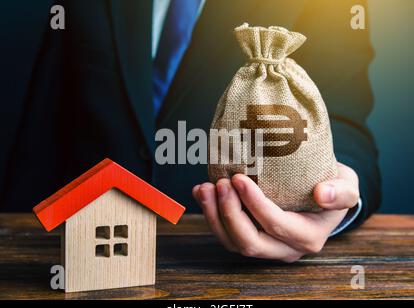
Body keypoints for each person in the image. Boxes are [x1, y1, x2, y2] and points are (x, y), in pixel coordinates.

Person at [0, 0, 381, 261]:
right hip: (85, 246)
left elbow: (344, 122)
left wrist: (332, 196)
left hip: (223, 264)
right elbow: (44, 121)